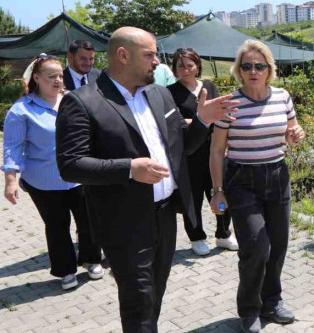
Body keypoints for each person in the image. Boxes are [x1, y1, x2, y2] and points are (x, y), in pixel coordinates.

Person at [56, 27, 238, 333]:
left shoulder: (159, 93)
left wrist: (204, 120)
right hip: (123, 222)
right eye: (149, 55)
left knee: (154, 294)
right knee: (138, 300)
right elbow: (70, 165)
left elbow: (181, 146)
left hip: (165, 216)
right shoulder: (83, 101)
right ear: (123, 56)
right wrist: (128, 168)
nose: (157, 62)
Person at [209, 40, 305, 333]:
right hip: (242, 182)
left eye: (259, 66)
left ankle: (271, 303)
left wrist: (296, 135)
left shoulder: (282, 97)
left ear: (269, 70)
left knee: (277, 246)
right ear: (239, 70)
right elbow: (216, 151)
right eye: (247, 66)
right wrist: (217, 191)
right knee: (255, 247)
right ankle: (249, 309)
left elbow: (292, 131)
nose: (253, 71)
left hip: (277, 176)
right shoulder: (229, 104)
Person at [2, 54, 103, 290]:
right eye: (51, 77)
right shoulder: (21, 110)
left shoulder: (74, 100)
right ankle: (66, 270)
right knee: (57, 226)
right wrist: (10, 181)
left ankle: (91, 259)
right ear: (36, 78)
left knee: (88, 220)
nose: (58, 80)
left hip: (80, 176)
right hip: (44, 181)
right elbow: (12, 147)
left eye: (60, 75)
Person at [167, 48, 238, 256]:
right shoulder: (170, 92)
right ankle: (196, 237)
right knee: (193, 198)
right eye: (181, 66)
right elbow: (174, 123)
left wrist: (225, 141)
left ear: (197, 66)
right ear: (175, 69)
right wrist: (203, 118)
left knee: (220, 191)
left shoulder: (208, 86)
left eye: (190, 65)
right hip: (189, 155)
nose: (186, 69)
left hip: (214, 151)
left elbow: (221, 115)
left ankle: (224, 233)